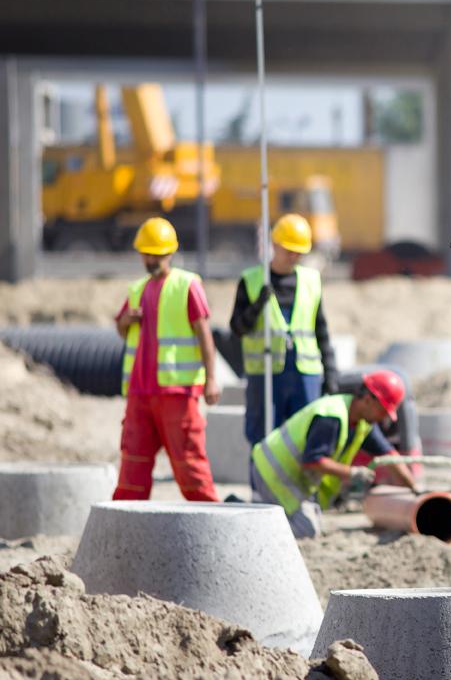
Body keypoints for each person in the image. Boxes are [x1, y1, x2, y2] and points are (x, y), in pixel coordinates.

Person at [113, 217, 221, 501]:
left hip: (176, 392)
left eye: (156, 255)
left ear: (170, 253)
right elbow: (122, 330)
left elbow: (204, 335)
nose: (150, 260)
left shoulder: (187, 285)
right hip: (140, 393)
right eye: (146, 254)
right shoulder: (137, 289)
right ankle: (127, 526)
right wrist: (126, 320)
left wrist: (211, 379)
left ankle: (210, 518)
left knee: (189, 464)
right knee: (132, 468)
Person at [250, 370, 417, 538]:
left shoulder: (363, 423)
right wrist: (352, 473)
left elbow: (390, 456)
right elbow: (313, 461)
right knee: (306, 530)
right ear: (367, 400)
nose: (383, 418)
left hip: (290, 474)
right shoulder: (331, 416)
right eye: (383, 410)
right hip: (273, 471)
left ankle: (239, 509)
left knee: (308, 522)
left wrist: (413, 488)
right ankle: (246, 528)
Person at [230, 213, 337, 448]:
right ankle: (262, 485)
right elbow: (237, 328)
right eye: (289, 250)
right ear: (274, 245)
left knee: (305, 436)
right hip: (265, 374)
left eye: (299, 252)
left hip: (304, 374)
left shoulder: (310, 281)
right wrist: (257, 305)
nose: (294, 256)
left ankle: (299, 485)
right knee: (263, 437)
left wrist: (330, 373)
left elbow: (322, 332)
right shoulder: (252, 280)